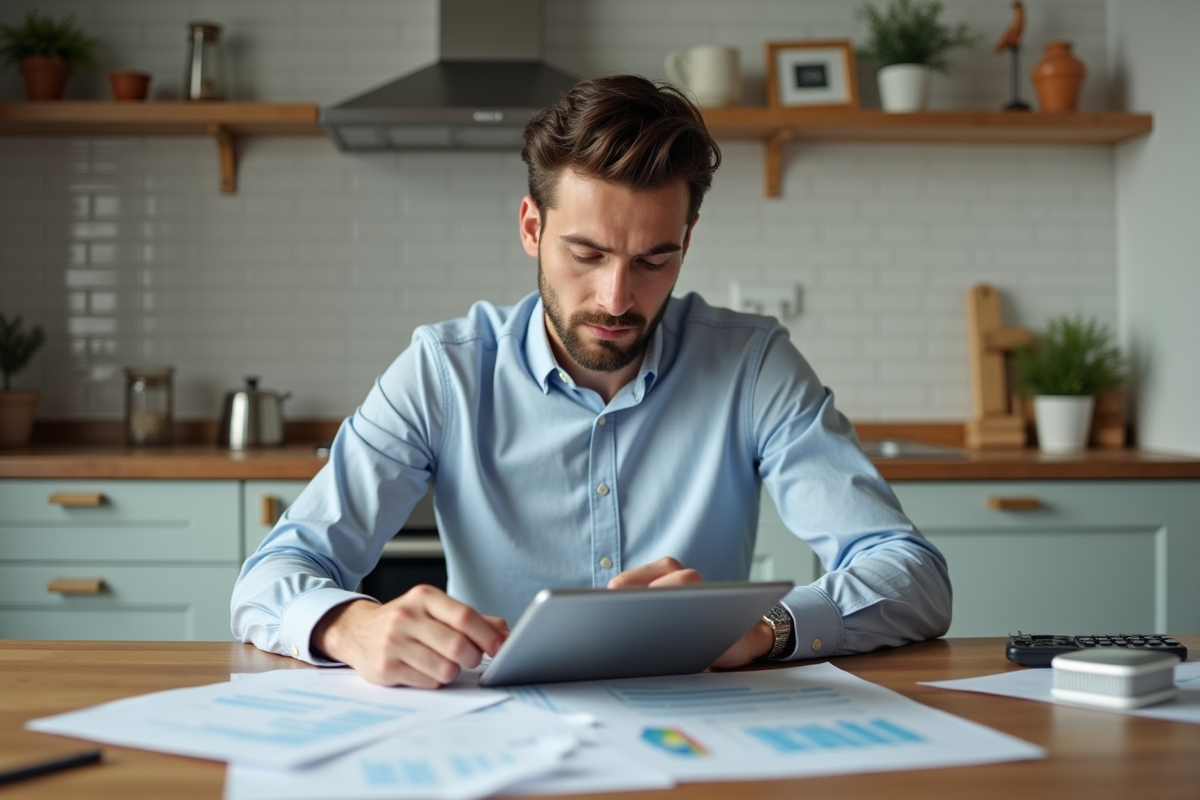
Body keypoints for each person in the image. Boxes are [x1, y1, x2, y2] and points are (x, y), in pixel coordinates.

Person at [231, 74, 952, 688]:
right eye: (587, 254)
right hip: (493, 733)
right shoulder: (443, 370)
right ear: (531, 229)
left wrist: (768, 628)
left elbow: (912, 575)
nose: (615, 299)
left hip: (701, 735)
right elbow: (271, 576)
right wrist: (351, 625)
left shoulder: (753, 364)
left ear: (687, 241)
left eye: (653, 261)